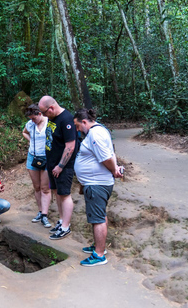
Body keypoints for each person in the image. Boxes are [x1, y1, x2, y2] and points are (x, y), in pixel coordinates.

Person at [73, 109, 123, 267]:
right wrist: (114, 168)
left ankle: (99, 255)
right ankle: (98, 247)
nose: (77, 130)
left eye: (78, 126)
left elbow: (106, 157)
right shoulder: (100, 131)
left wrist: (113, 169)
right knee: (100, 215)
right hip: (96, 183)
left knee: (97, 219)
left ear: (84, 122)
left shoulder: (95, 134)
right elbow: (111, 153)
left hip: (97, 184)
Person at [38, 95, 78, 240]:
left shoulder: (66, 119)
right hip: (52, 163)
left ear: (52, 108)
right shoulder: (52, 117)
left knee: (64, 194)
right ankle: (61, 221)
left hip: (63, 166)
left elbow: (71, 146)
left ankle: (66, 227)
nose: (42, 116)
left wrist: (60, 166)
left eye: (44, 112)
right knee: (56, 192)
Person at [22, 104, 52, 228]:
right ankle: (40, 211)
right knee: (37, 187)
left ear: (40, 114)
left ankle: (45, 215)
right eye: (30, 118)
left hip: (46, 157)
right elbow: (24, 132)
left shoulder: (49, 123)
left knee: (45, 188)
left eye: (34, 118)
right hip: (32, 157)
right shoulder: (30, 124)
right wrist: (31, 141)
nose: (32, 121)